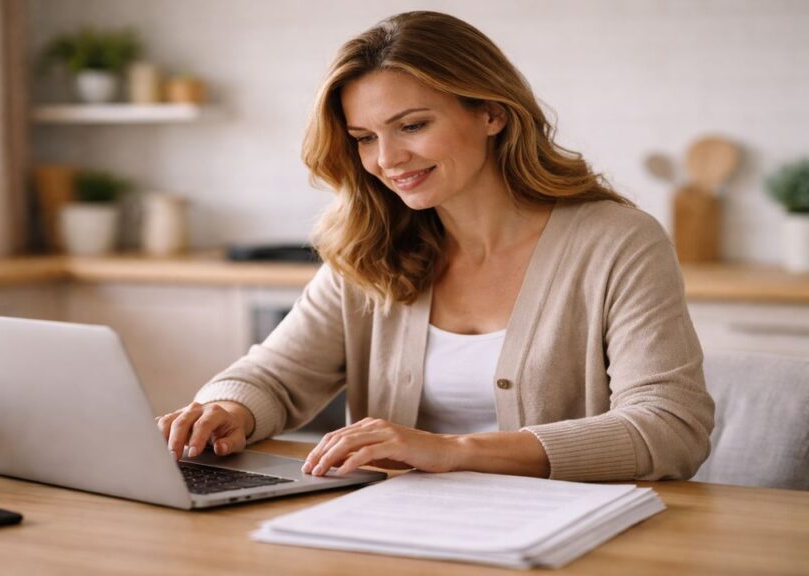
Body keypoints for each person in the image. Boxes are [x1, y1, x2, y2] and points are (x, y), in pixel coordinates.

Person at [156, 11, 714, 482]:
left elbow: (670, 427)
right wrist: (227, 409)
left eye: (413, 125)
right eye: (365, 139)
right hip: (397, 533)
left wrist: (454, 452)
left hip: (565, 538)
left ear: (492, 113)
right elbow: (276, 378)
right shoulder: (371, 245)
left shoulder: (616, 243)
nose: (388, 159)